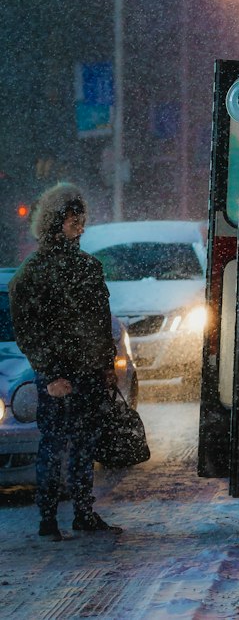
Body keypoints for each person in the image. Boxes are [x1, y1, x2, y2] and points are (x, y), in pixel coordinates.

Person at [8, 183, 123, 540]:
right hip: (60, 375)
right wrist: (51, 371)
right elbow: (30, 328)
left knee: (82, 445)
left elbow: (99, 321)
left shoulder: (86, 266)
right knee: (56, 446)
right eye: (75, 221)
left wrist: (106, 365)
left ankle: (81, 514)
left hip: (86, 371)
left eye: (82, 220)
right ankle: (49, 519)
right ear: (57, 222)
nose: (81, 227)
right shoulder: (37, 271)